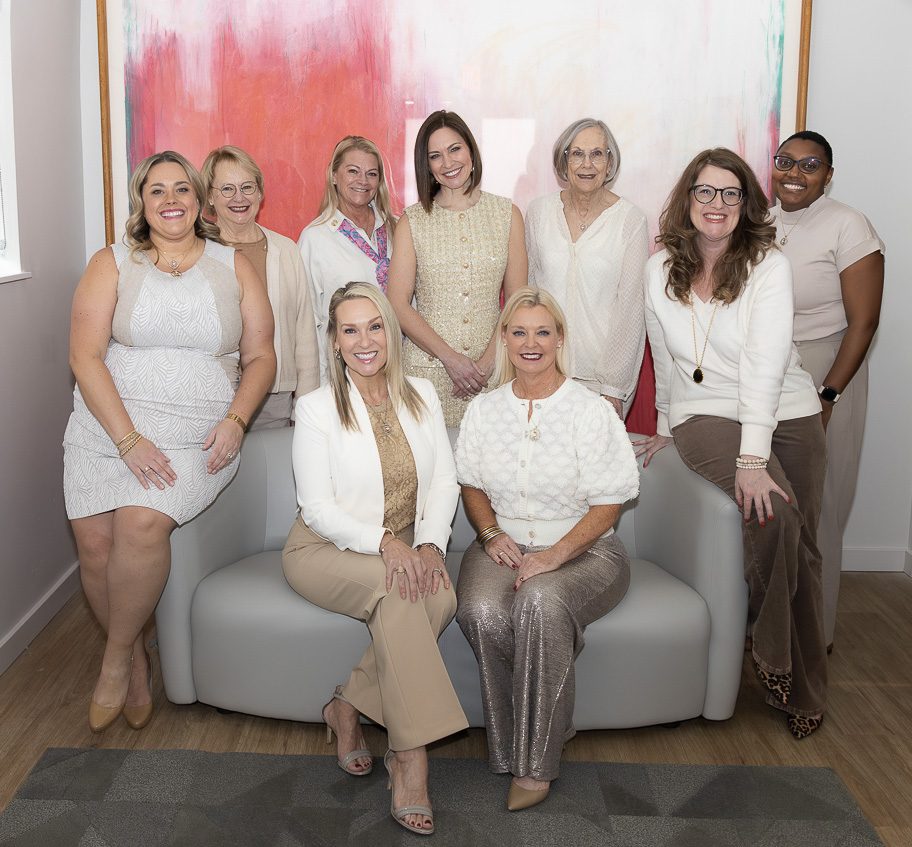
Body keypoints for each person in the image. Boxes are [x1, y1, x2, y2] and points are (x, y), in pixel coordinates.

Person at [64, 151, 276, 733]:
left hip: (197, 435)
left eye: (181, 188)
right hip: (107, 429)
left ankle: (111, 662)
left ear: (198, 198)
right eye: (156, 191)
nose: (170, 200)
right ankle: (132, 657)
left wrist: (236, 419)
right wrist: (128, 439)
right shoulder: (111, 263)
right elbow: (84, 355)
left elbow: (261, 356)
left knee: (139, 522)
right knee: (95, 547)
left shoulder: (234, 265)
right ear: (142, 202)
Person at [635, 148, 828, 739]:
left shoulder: (768, 266)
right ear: (686, 200)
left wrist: (754, 457)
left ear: (746, 204)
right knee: (773, 518)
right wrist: (668, 429)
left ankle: (804, 682)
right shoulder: (659, 268)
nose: (716, 205)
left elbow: (767, 367)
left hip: (788, 414)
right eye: (704, 192)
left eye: (729, 194)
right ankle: (780, 667)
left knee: (800, 543)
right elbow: (665, 362)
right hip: (704, 415)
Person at [282, 282, 467, 835]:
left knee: (440, 593)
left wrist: (431, 544)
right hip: (324, 548)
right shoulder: (316, 408)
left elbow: (443, 481)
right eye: (350, 329)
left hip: (408, 541)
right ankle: (410, 761)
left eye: (375, 325)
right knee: (400, 591)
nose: (365, 340)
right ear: (335, 342)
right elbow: (315, 508)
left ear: (390, 330)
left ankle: (348, 707)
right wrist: (387, 542)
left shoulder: (423, 395)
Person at [455, 287, 639, 811]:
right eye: (518, 332)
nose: (530, 343)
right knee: (482, 610)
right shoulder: (484, 410)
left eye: (542, 332)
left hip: (588, 551)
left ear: (559, 338)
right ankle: (527, 738)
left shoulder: (591, 410)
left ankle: (536, 767)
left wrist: (553, 556)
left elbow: (608, 505)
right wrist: (490, 534)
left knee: (539, 602)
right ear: (504, 341)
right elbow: (471, 484)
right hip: (503, 545)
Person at [770, 130, 885, 649]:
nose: (794, 173)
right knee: (774, 505)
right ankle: (769, 624)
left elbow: (864, 322)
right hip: (770, 371)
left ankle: (815, 633)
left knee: (821, 504)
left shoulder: (847, 223)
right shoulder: (763, 223)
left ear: (828, 174)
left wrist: (829, 395)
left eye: (810, 165)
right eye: (785, 161)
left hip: (826, 368)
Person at [387, 110, 527, 427]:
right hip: (426, 376)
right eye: (435, 156)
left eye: (455, 149)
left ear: (471, 152)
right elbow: (397, 302)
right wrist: (450, 359)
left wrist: (489, 362)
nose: (448, 163)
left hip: (492, 375)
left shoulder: (507, 215)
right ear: (428, 167)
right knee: (431, 473)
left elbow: (518, 300)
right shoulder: (412, 221)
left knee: (491, 471)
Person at [525, 118, 648, 418]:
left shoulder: (630, 220)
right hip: (543, 368)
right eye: (577, 153)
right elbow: (530, 293)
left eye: (597, 153)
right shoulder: (539, 213)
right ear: (564, 161)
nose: (587, 164)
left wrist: (614, 388)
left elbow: (631, 310)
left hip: (601, 382)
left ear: (610, 162)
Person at [200, 145, 319, 429]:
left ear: (260, 192)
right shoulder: (196, 252)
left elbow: (304, 333)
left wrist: (306, 408)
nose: (239, 197)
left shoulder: (285, 250)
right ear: (209, 197)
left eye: (247, 187)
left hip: (272, 400)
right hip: (209, 399)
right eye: (227, 189)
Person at [297, 136, 398, 379]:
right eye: (353, 171)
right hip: (342, 374)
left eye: (371, 174)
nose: (362, 181)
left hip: (397, 367)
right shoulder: (315, 238)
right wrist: (315, 389)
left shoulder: (398, 229)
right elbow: (306, 324)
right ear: (334, 175)